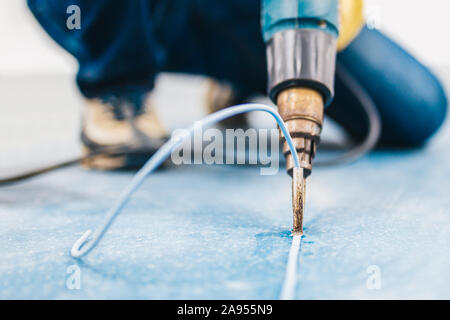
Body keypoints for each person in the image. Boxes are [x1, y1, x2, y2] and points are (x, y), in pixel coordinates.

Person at [28, 0, 448, 169]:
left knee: (417, 109)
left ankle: (252, 70)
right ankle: (117, 83)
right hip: (127, 11)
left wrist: (302, 39)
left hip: (244, 10)